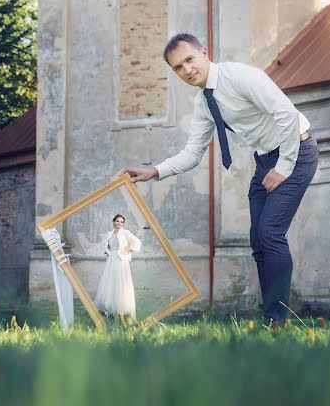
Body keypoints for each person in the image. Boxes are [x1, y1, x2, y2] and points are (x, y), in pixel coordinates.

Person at [122, 33, 319, 325]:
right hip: (266, 159)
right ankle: (272, 318)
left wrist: (283, 166)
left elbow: (286, 114)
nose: (186, 70)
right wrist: (154, 171)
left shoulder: (239, 76)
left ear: (204, 52)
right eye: (178, 67)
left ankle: (280, 317)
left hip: (296, 151)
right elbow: (192, 153)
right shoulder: (204, 103)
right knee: (258, 239)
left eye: (189, 60)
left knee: (270, 232)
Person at [94, 214, 141, 322]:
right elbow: (105, 245)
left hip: (121, 261)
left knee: (121, 283)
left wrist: (128, 251)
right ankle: (110, 310)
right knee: (110, 282)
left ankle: (122, 310)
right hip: (111, 260)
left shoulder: (125, 233)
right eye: (117, 221)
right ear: (113, 222)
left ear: (123, 223)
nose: (119, 223)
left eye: (121, 222)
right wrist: (108, 253)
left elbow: (137, 242)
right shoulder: (109, 234)